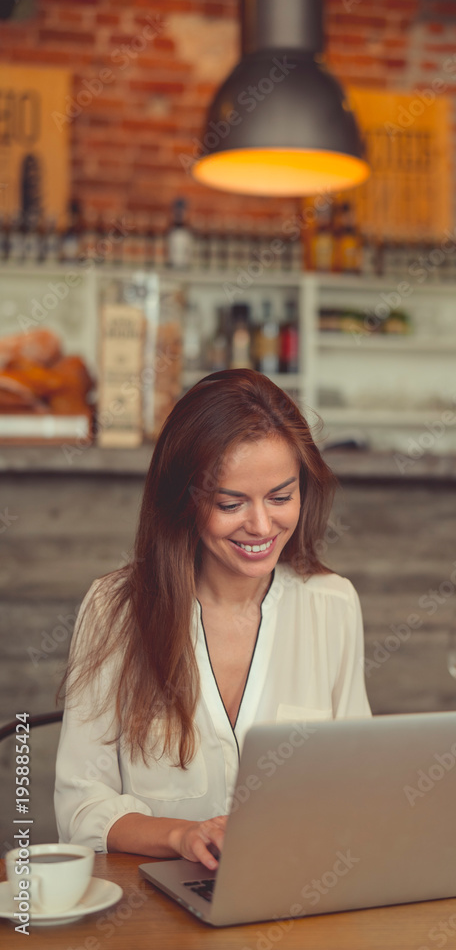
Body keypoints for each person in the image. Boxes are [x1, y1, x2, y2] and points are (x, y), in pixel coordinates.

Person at [55, 369, 371, 868]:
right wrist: (183, 836)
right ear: (184, 499)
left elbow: (357, 786)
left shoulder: (333, 604)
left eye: (281, 497)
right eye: (231, 503)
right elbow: (81, 808)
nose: (262, 526)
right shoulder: (114, 609)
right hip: (154, 918)